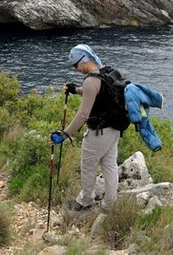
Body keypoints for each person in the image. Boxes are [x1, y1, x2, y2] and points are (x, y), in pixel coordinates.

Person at [50, 44, 120, 212]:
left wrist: (65, 134)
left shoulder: (91, 80)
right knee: (110, 165)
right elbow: (97, 92)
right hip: (115, 128)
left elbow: (83, 115)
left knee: (88, 166)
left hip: (98, 132)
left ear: (84, 61)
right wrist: (76, 90)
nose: (75, 69)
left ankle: (85, 202)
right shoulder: (108, 71)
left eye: (75, 65)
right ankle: (109, 206)